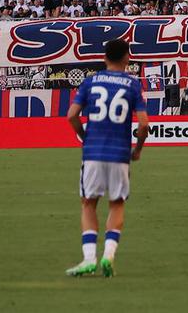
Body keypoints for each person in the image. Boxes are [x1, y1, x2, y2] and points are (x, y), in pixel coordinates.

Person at [64, 39, 148, 277]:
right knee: (117, 203)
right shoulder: (132, 85)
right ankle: (108, 255)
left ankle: (89, 259)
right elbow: (144, 124)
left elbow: (71, 116)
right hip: (120, 154)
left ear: (104, 58)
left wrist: (84, 136)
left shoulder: (90, 82)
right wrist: (138, 149)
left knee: (89, 203)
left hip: (93, 152)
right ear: (127, 58)